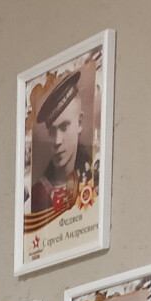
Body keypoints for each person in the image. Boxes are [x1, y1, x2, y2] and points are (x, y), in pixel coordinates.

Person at [29, 68, 93, 214]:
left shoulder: (95, 167)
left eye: (64, 127)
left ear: (79, 123)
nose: (57, 141)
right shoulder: (38, 196)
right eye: (52, 131)